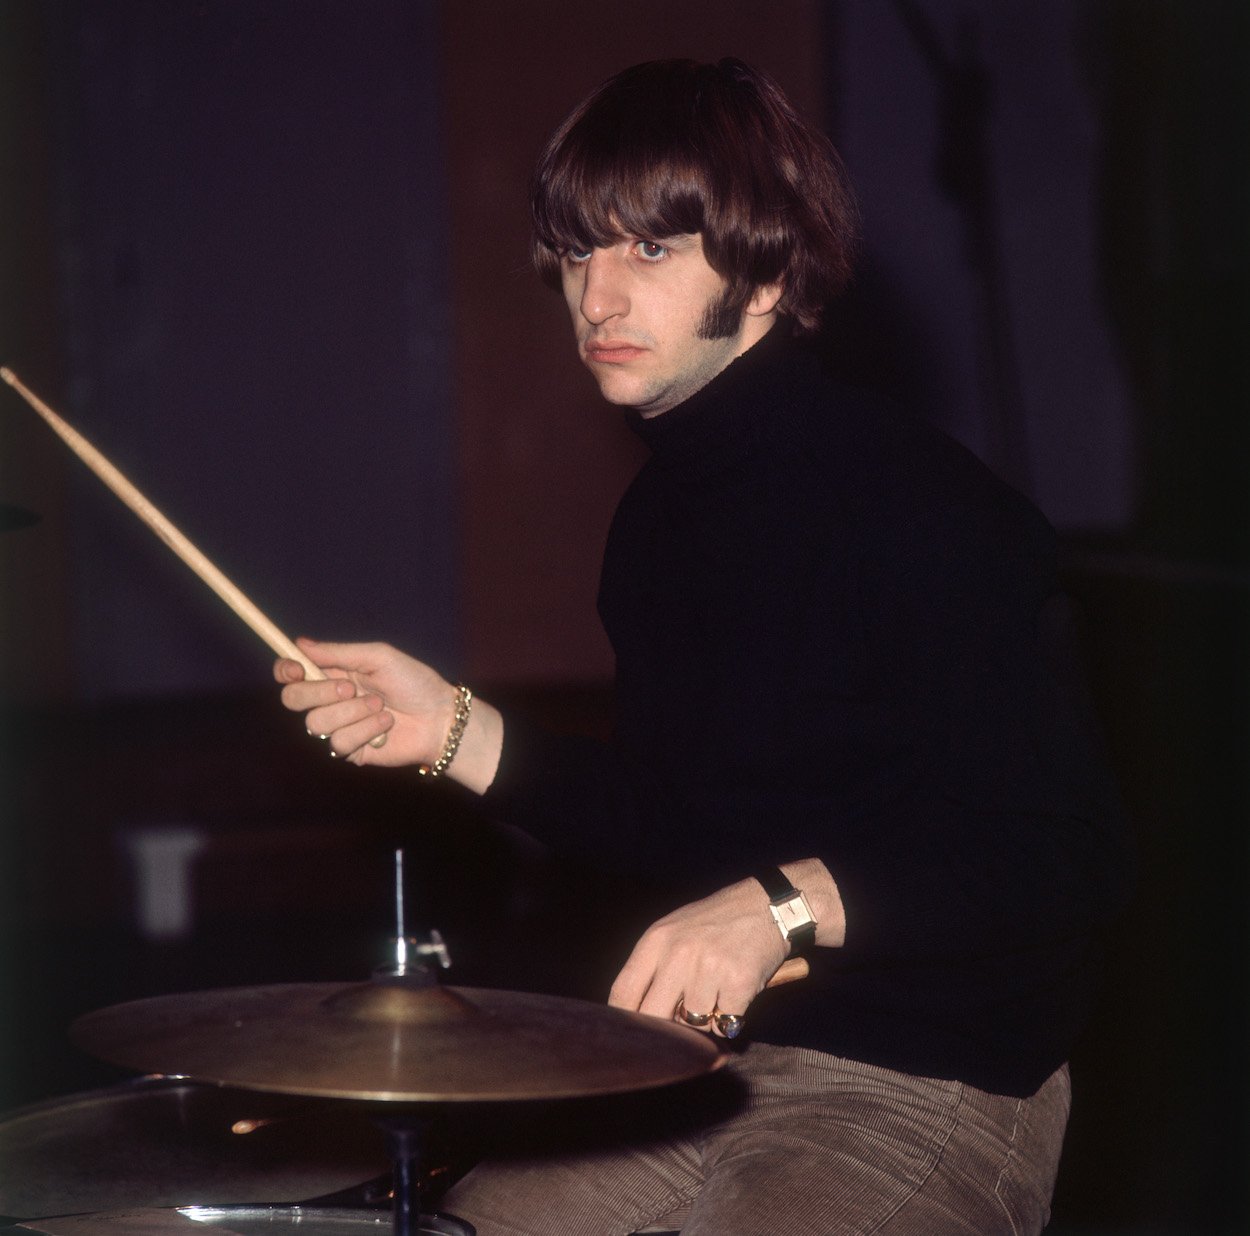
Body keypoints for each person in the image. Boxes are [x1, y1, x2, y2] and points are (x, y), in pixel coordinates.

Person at [275, 58, 1129, 1235]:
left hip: (931, 1084)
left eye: (651, 251)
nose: (597, 300)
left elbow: (1065, 862)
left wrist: (783, 905)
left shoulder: (931, 514)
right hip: (709, 1075)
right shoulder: (664, 517)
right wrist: (454, 734)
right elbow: (681, 815)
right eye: (579, 253)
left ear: (768, 272)